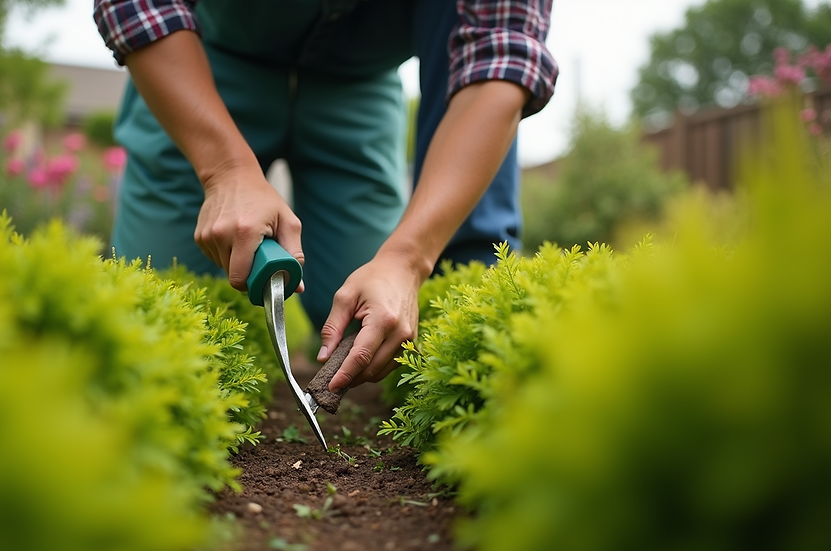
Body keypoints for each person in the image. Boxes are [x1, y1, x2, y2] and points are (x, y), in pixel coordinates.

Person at [93, 0, 557, 394]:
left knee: (371, 321)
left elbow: (501, 53)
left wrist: (407, 258)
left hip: (357, 84)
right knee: (159, 317)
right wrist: (224, 170)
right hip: (205, 66)